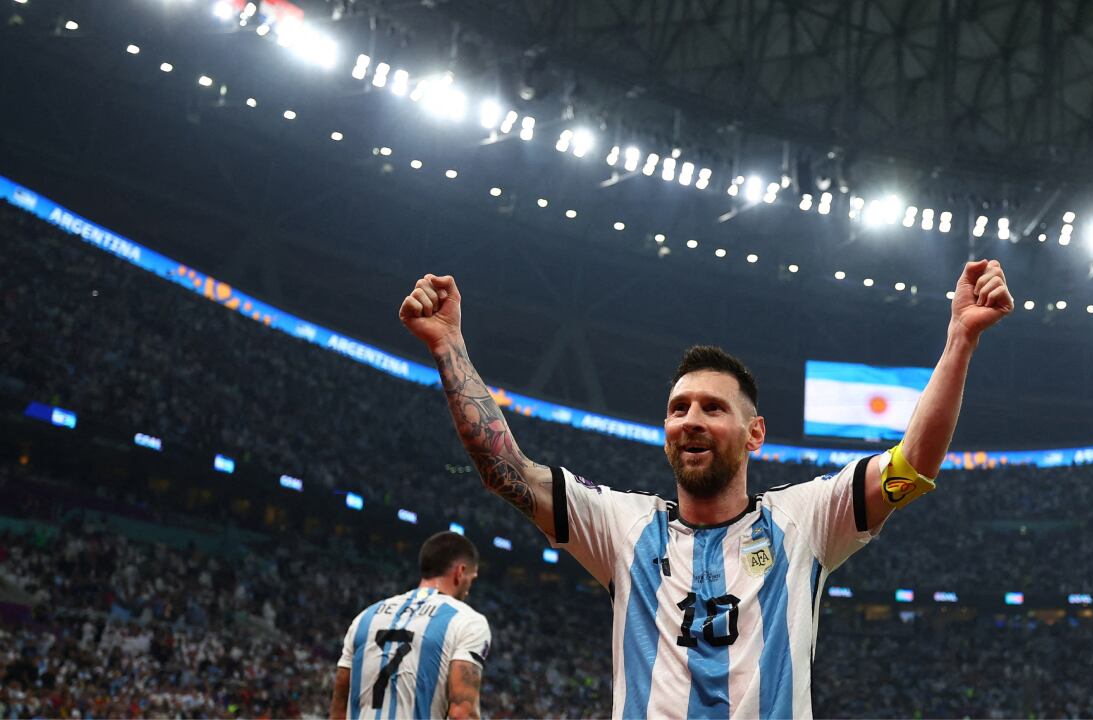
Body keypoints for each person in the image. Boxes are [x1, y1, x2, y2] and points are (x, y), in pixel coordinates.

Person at [399, 259, 1013, 719]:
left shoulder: (806, 521)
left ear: (755, 434)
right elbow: (505, 469)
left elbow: (912, 464)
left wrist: (960, 340)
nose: (690, 418)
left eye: (712, 408)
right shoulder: (622, 527)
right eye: (678, 407)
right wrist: (449, 345)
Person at [330, 532, 491, 720]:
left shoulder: (365, 617)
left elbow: (339, 708)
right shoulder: (467, 621)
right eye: (471, 579)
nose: (468, 590)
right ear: (460, 572)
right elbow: (463, 714)